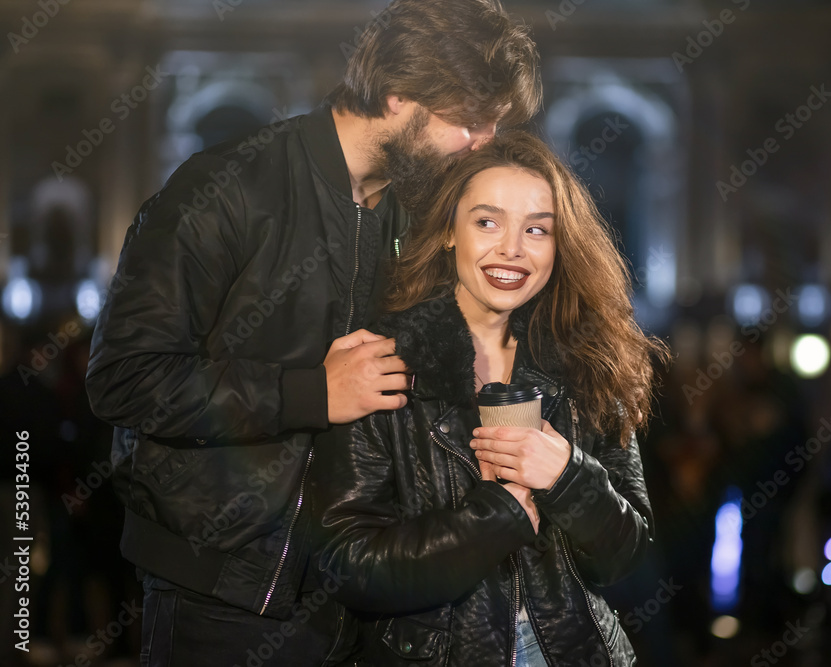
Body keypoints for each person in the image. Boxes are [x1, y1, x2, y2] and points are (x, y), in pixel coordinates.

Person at [84, 1, 541, 664]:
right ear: (398, 93)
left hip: (363, 593)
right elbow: (124, 376)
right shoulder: (227, 188)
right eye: (470, 120)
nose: (483, 142)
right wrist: (311, 392)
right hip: (222, 593)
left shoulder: (415, 216)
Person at [312, 131, 670, 666]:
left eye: (537, 229)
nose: (512, 249)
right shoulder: (385, 362)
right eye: (487, 222)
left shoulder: (588, 362)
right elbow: (347, 566)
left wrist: (568, 476)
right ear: (448, 231)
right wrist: (495, 517)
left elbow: (627, 555)